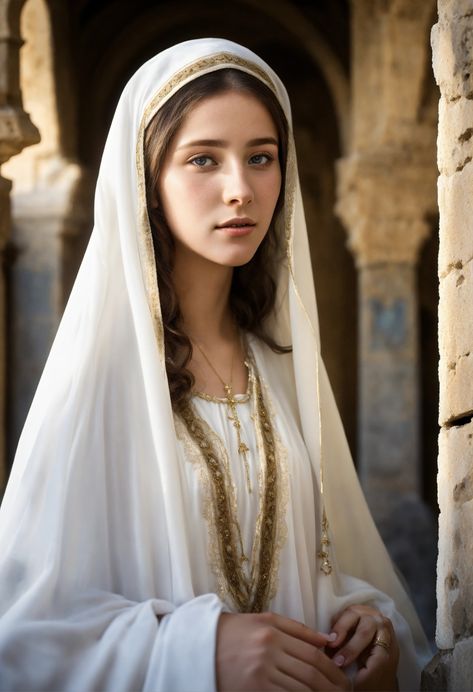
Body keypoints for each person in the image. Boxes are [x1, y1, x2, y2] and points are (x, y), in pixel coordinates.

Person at [0, 38, 430, 691]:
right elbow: (22, 638)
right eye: (203, 159)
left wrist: (364, 624)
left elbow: (311, 564)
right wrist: (199, 649)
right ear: (147, 178)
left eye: (261, 158)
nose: (240, 190)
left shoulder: (279, 368)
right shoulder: (97, 384)